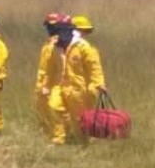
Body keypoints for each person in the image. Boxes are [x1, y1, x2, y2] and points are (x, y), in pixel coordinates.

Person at [52, 14, 106, 144]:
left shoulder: (84, 47)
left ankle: (84, 143)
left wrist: (99, 83)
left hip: (80, 90)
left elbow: (94, 66)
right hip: (65, 87)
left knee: (79, 119)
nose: (82, 33)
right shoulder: (63, 45)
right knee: (55, 106)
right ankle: (64, 137)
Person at [34, 12, 64, 137]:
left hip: (54, 82)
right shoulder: (49, 44)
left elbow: (60, 67)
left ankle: (59, 134)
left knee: (54, 108)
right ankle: (45, 131)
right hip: (42, 81)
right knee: (41, 107)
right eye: (48, 26)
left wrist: (49, 84)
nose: (50, 29)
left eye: (53, 26)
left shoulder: (59, 45)